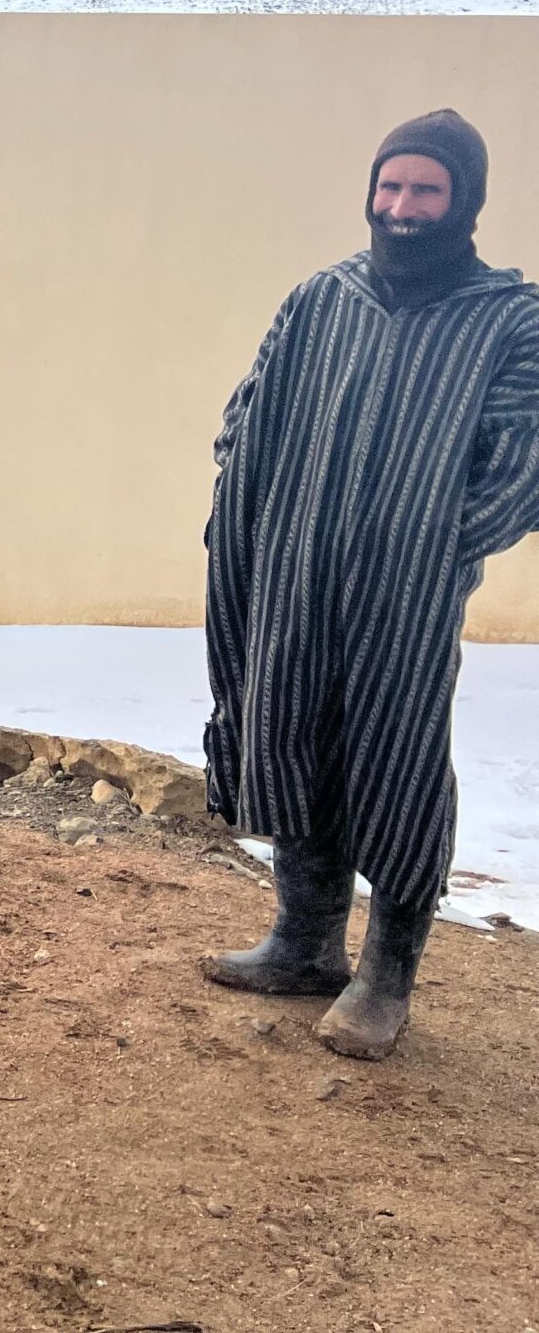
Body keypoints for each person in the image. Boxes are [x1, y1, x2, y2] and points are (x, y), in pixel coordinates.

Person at [203, 109, 539, 1058]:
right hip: (294, 576)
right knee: (292, 731)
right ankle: (304, 944)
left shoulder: (511, 321)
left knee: (397, 758)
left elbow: (524, 462)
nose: (402, 206)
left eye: (426, 189)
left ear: (463, 200)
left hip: (408, 594)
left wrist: (431, 544)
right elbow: (248, 414)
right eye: (390, 185)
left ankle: (388, 976)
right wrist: (258, 516)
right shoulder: (322, 299)